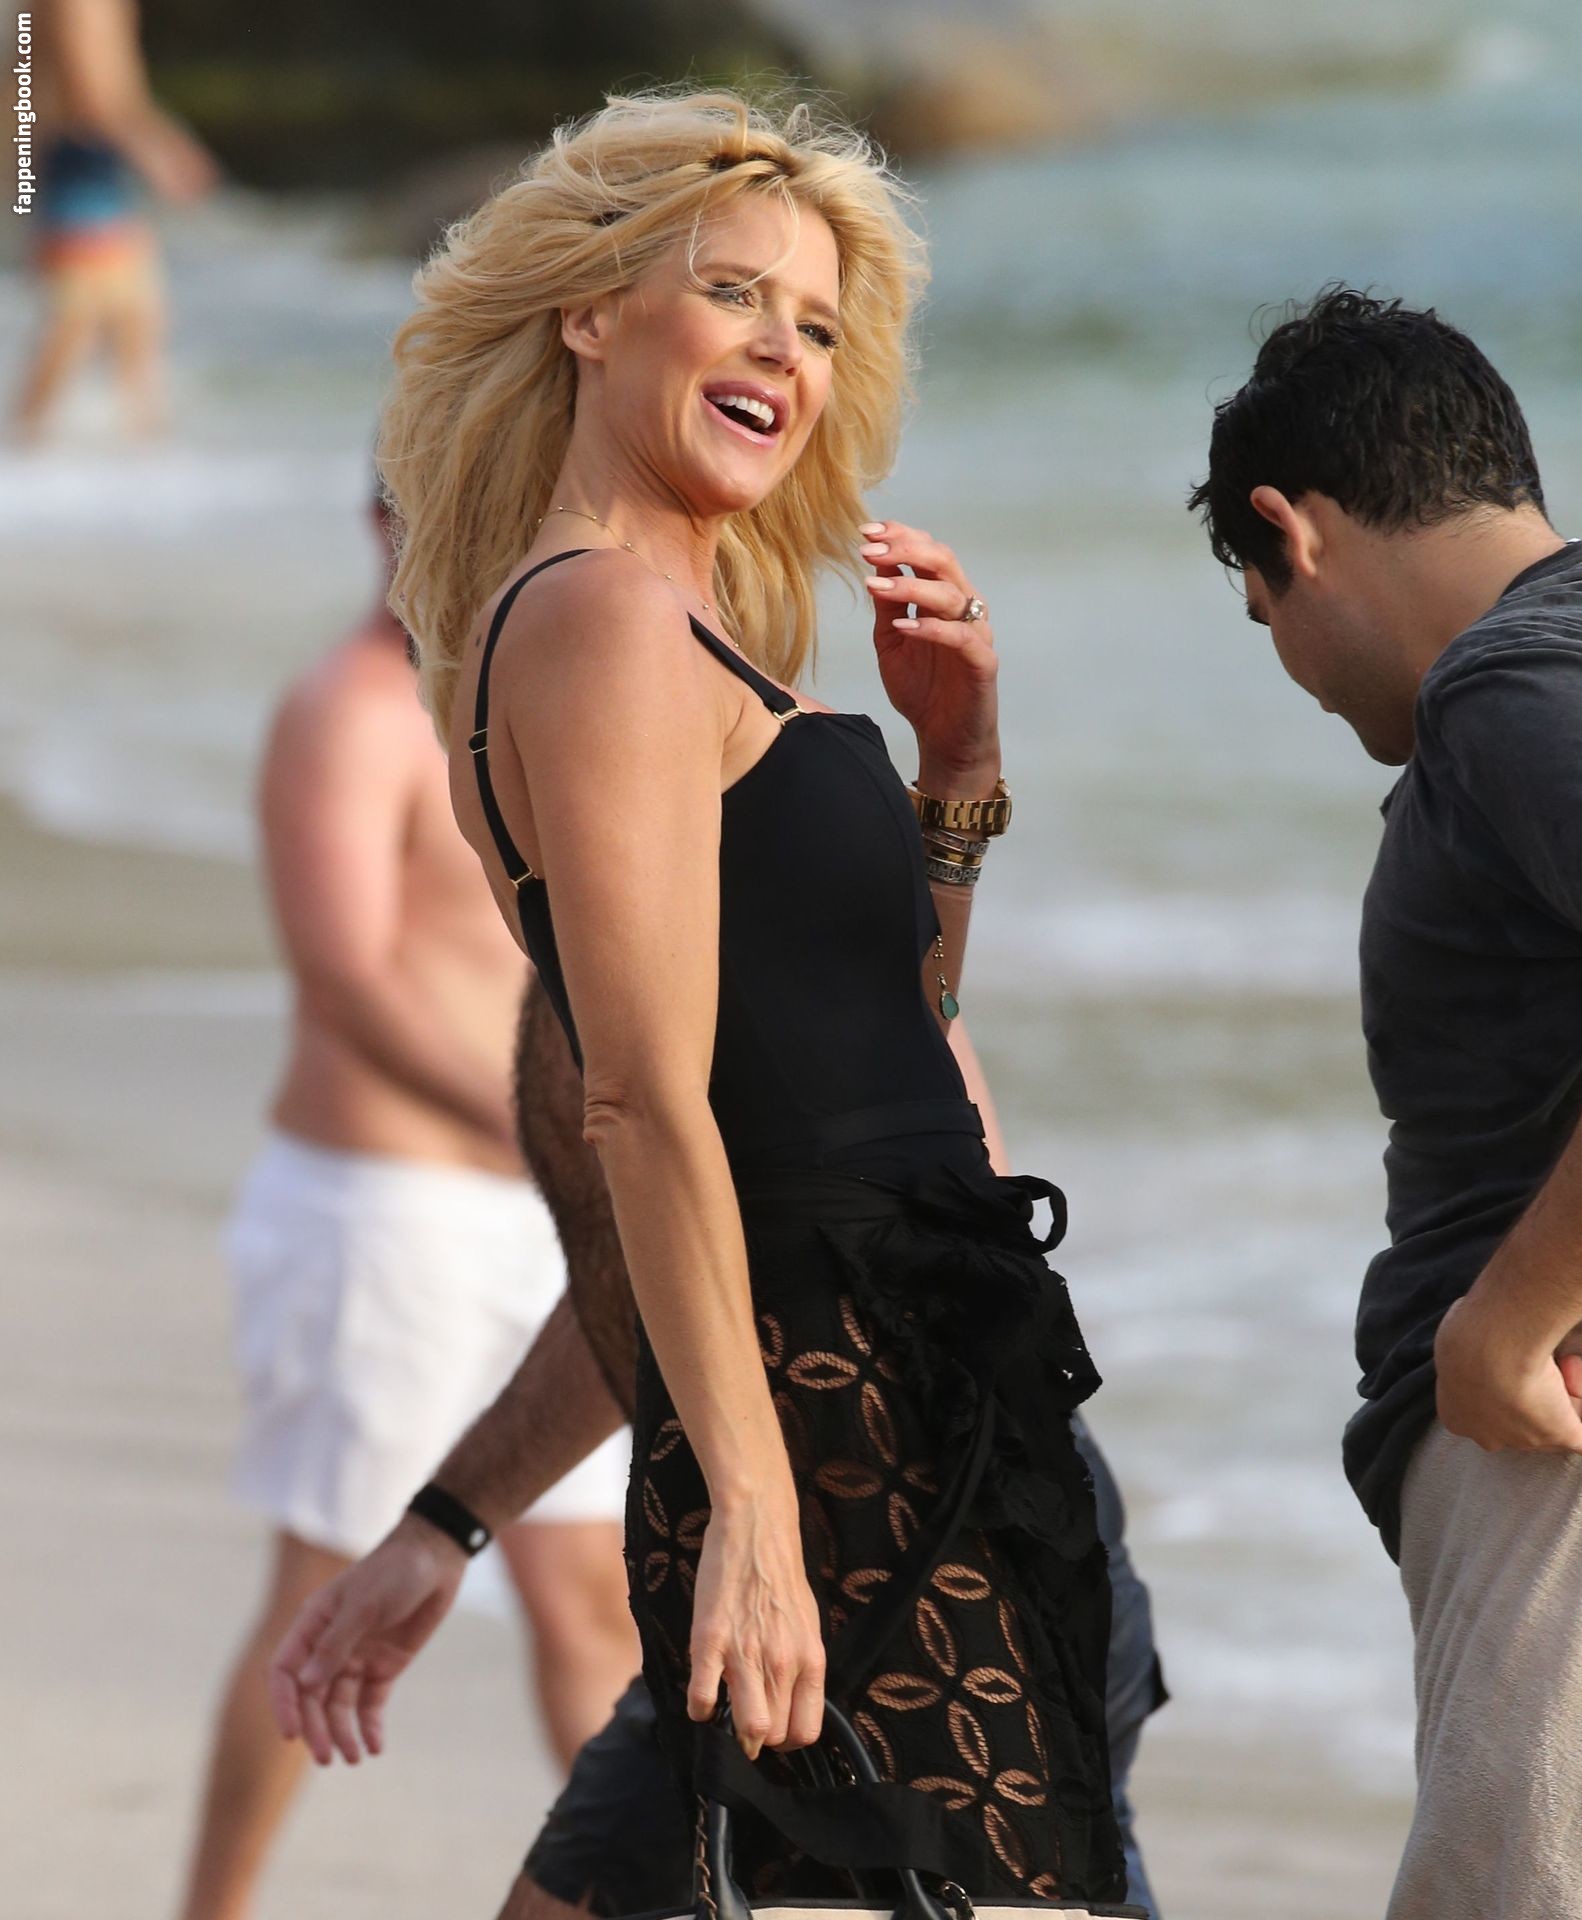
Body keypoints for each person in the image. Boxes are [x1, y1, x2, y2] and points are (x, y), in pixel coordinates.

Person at [272, 87, 1129, 1908]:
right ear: (592, 311)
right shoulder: (596, 617)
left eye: (814, 325)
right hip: (834, 1405)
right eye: (733, 294)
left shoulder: (681, 629)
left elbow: (886, 1039)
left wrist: (959, 771)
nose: (781, 353)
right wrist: (751, 1503)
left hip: (913, 1361)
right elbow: (647, 1102)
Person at [274, 978, 1167, 1919]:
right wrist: (447, 1523)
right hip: (845, 1562)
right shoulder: (717, 949)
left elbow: (898, 1270)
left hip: (918, 1578)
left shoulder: (711, 961)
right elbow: (665, 1298)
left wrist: (751, 1520)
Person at [1189, 287, 1582, 1920]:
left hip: (1556, 1454)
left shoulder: (1507, 685)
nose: (1292, 671)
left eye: (1260, 614)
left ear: (1291, 533)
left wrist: (1513, 1313)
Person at [176, 479, 637, 1920]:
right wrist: (560, 1138)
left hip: (544, 1221)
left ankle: (641, 1894)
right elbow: (348, 982)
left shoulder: (526, 709)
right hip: (381, 1213)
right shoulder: (349, 711)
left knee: (591, 1594)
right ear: (380, 523)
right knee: (324, 1588)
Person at [9, 0, 219, 444]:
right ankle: (27, 451)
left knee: (126, 325)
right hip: (83, 176)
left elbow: (29, 87)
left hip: (77, 174)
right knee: (89, 328)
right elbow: (94, 100)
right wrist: (163, 152)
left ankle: (116, 463)